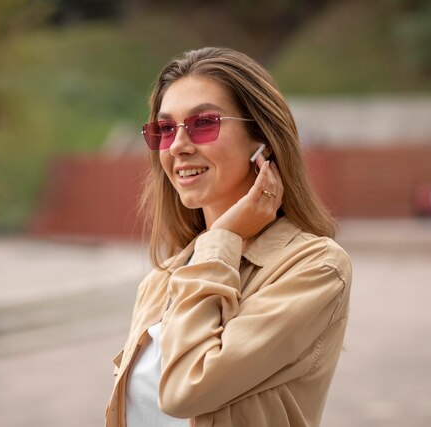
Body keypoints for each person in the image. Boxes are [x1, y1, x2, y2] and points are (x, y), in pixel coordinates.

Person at [105, 47, 352, 427]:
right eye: (166, 129)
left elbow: (185, 391)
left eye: (204, 123)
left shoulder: (315, 267)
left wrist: (223, 237)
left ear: (262, 139)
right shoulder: (161, 280)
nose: (179, 146)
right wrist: (218, 242)